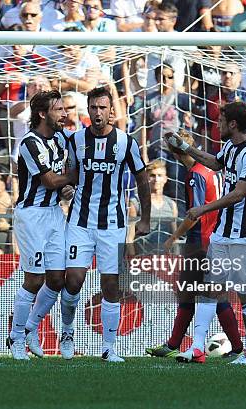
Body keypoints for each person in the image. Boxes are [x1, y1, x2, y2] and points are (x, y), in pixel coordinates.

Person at [168, 101, 246, 365]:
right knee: (210, 288)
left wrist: (203, 208)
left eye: (221, 121)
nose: (218, 125)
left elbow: (239, 193)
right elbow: (214, 162)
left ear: (233, 124)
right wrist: (185, 147)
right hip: (223, 232)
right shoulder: (229, 148)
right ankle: (197, 348)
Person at [56, 87, 151, 362]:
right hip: (80, 222)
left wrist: (144, 218)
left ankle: (109, 347)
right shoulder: (75, 141)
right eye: (93, 107)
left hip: (113, 224)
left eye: (102, 107)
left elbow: (142, 179)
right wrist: (66, 189)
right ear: (88, 110)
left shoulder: (125, 142)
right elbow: (70, 175)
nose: (98, 112)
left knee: (111, 285)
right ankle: (67, 331)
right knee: (73, 280)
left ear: (112, 111)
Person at [146, 130, 244, 359]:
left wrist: (172, 238)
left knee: (188, 293)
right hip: (219, 239)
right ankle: (237, 347)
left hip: (200, 242)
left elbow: (195, 214)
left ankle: (175, 345)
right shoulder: (212, 170)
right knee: (215, 294)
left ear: (175, 153)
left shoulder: (194, 175)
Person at [6, 90, 77, 360]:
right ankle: (15, 338)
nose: (64, 114)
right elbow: (48, 180)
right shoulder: (29, 143)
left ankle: (30, 328)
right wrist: (75, 178)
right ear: (43, 114)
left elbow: (59, 183)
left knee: (58, 279)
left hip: (54, 213)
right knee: (34, 278)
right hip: (32, 216)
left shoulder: (60, 139)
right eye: (58, 109)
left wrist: (66, 189)